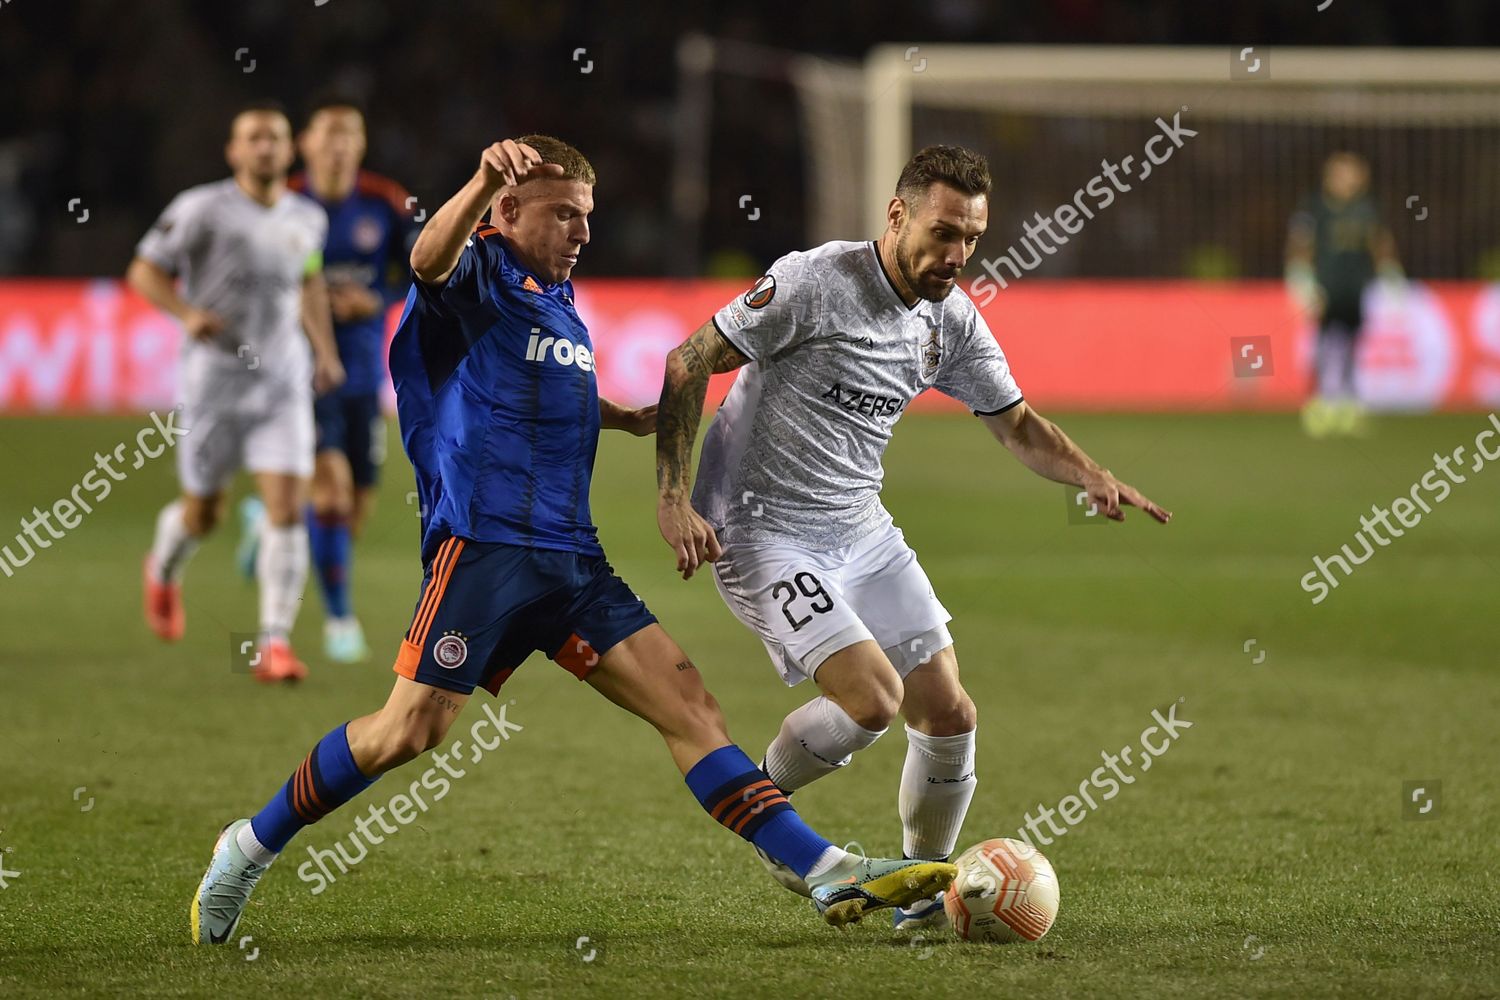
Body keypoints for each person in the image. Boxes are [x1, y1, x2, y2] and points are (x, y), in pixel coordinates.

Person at [191, 135, 955, 946]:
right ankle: (248, 844)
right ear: (508, 212)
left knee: (692, 709)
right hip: (483, 552)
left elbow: (526, 389)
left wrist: (620, 416)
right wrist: (481, 174)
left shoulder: (553, 297)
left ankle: (826, 869)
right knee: (407, 732)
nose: (583, 234)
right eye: (564, 216)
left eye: (587, 217)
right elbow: (424, 261)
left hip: (571, 561)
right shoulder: (475, 273)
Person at [654, 144, 1171, 932]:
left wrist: (1092, 475)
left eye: (971, 238)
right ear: (896, 215)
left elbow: (1019, 425)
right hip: (761, 528)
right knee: (871, 700)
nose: (956, 255)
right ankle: (766, 803)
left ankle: (927, 890)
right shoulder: (813, 282)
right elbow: (688, 361)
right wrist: (671, 498)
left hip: (859, 525)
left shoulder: (950, 321)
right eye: (942, 232)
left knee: (949, 713)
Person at [129, 102, 344, 683]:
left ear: (288, 149)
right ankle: (165, 568)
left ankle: (274, 642)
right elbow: (144, 270)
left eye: (275, 137)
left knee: (286, 509)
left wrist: (324, 352)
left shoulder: (307, 217)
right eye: (254, 138)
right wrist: (185, 312)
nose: (266, 147)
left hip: (282, 384)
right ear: (234, 151)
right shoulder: (200, 209)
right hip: (214, 387)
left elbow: (309, 282)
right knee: (205, 513)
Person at [238, 96, 416, 663]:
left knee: (354, 508)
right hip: (298, 372)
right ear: (306, 144)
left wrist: (379, 298)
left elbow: (422, 272)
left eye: (350, 134)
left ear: (360, 146)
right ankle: (340, 620)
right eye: (328, 134)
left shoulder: (386, 203)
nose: (339, 144)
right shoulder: (282, 202)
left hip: (365, 370)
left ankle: (269, 525)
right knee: (333, 493)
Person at [1285, 151, 1404, 438]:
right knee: (1324, 342)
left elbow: (1380, 242)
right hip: (1326, 287)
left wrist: (1390, 271)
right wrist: (1300, 275)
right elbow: (1300, 242)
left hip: (1356, 285)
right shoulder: (1314, 206)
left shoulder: (1367, 209)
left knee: (1353, 342)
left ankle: (1350, 402)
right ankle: (1320, 401)